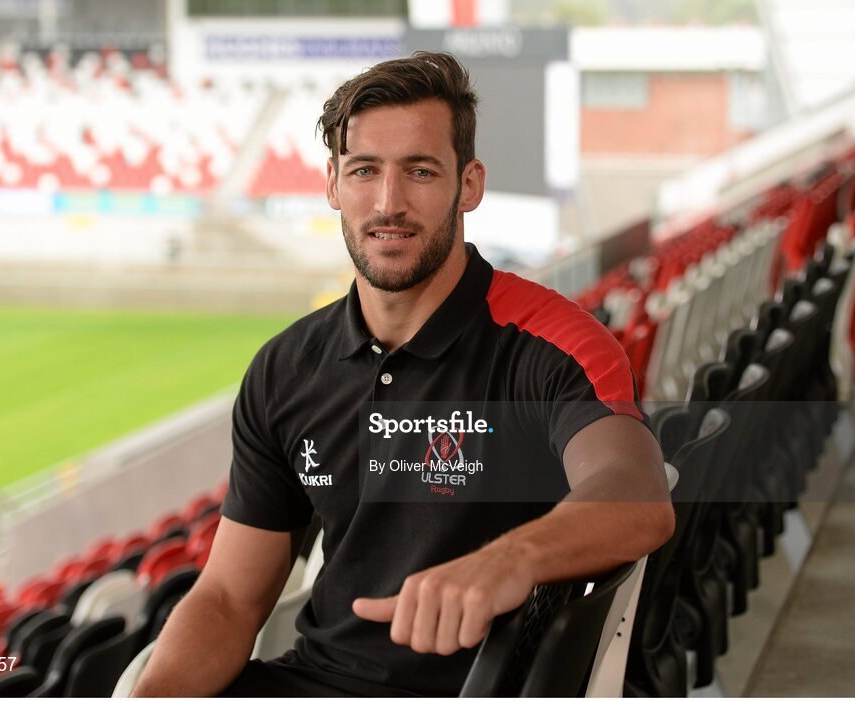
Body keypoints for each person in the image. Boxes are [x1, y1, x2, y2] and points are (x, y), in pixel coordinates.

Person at [132, 51, 673, 698]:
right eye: (364, 171)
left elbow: (638, 492)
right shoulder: (284, 369)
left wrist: (508, 558)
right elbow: (227, 598)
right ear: (332, 183)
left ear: (468, 184)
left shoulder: (553, 344)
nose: (389, 203)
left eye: (420, 171)